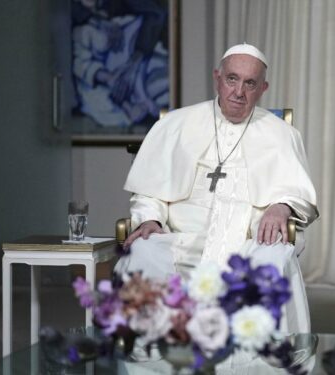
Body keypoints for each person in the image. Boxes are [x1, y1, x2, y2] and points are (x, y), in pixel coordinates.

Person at [115, 43, 319, 334]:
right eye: (232, 79)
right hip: (179, 241)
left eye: (250, 83)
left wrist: (281, 206)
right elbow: (149, 191)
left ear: (263, 88)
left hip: (248, 244)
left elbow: (296, 192)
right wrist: (150, 219)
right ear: (217, 78)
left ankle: (259, 360)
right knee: (143, 252)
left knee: (275, 257)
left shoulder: (281, 134)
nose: (238, 92)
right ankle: (154, 359)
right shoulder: (176, 124)